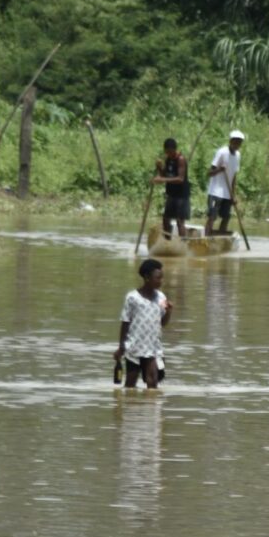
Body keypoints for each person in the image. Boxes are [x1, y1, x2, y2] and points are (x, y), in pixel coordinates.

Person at [114, 259, 172, 389]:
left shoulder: (161, 298)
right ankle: (129, 407)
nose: (161, 281)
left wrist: (169, 312)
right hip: (134, 347)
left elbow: (163, 323)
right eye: (158, 278)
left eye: (162, 278)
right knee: (130, 384)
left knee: (153, 383)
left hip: (153, 348)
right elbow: (125, 322)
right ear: (146, 277)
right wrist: (121, 347)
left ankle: (152, 408)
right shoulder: (132, 298)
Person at [205, 130, 245, 236]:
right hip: (215, 192)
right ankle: (206, 238)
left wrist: (233, 194)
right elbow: (209, 173)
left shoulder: (237, 155)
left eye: (239, 143)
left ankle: (221, 237)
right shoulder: (222, 152)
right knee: (212, 216)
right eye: (235, 142)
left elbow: (234, 176)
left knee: (226, 217)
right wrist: (219, 169)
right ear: (230, 141)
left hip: (227, 194)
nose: (237, 145)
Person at [152, 138, 189, 240]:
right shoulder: (168, 159)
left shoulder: (181, 159)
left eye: (170, 152)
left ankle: (184, 244)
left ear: (174, 149)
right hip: (171, 194)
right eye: (166, 152)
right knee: (165, 219)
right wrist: (159, 167)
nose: (168, 154)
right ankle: (167, 241)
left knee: (179, 222)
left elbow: (180, 179)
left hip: (181, 195)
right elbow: (165, 175)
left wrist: (162, 179)